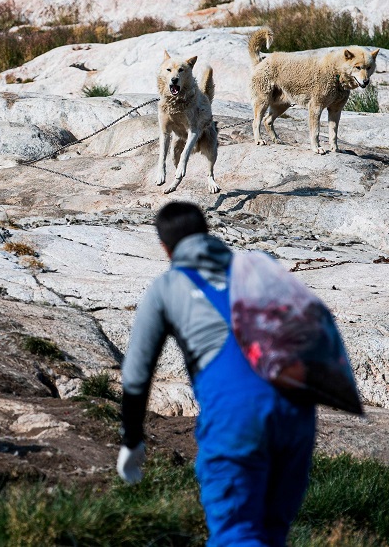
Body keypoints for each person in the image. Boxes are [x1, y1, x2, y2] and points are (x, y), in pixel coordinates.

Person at [117, 201, 316, 546]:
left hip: (237, 414)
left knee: (237, 533)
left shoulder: (168, 287)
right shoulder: (262, 266)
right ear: (207, 233)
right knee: (272, 532)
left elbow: (136, 375)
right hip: (297, 410)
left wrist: (132, 439)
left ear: (165, 248)